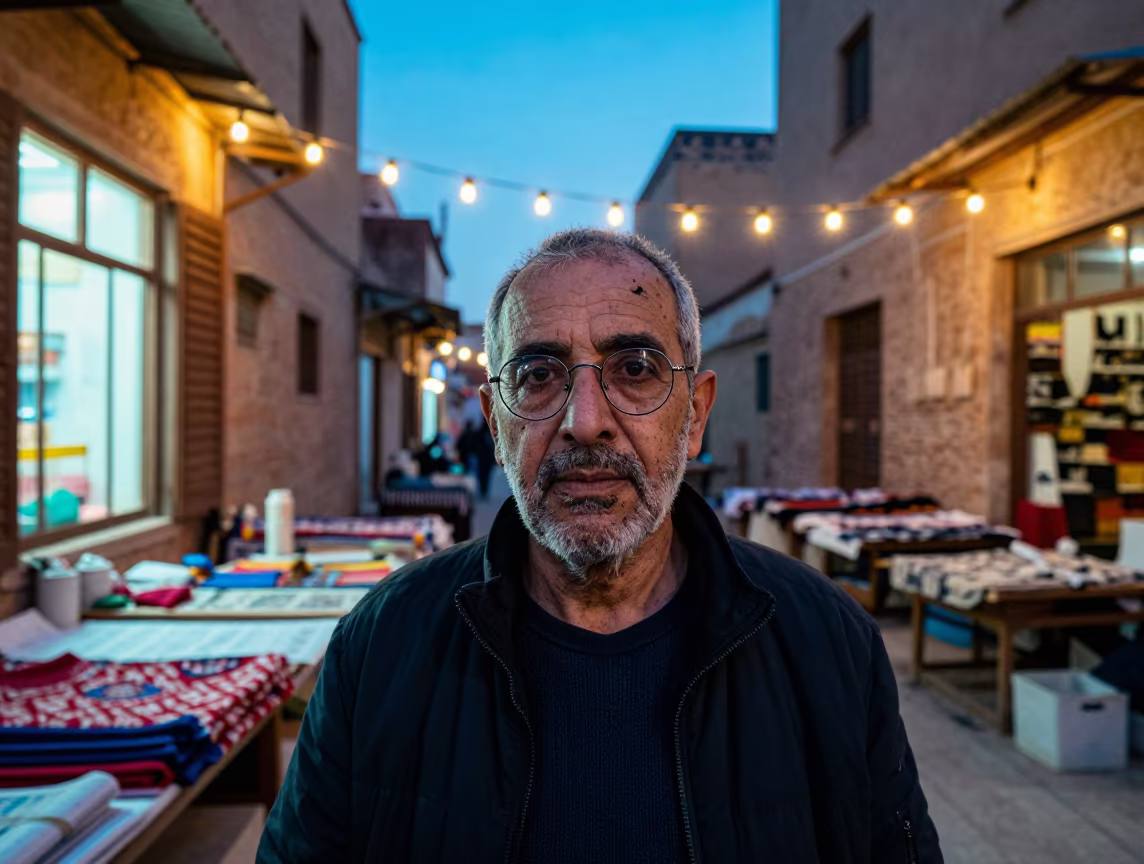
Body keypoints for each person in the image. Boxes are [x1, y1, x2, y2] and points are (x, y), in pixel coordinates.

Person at [258, 229, 943, 863]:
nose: (585, 423)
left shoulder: (829, 645)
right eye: (537, 375)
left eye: (635, 368)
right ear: (495, 424)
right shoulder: (380, 647)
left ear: (695, 414)